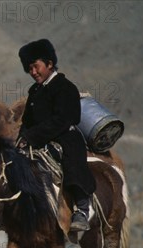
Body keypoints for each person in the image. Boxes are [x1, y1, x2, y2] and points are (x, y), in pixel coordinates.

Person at [16, 39, 96, 231]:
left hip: (64, 137)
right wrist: (21, 138)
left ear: (49, 64)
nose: (33, 72)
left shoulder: (65, 87)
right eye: (29, 69)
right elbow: (27, 121)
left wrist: (32, 136)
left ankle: (83, 209)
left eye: (36, 66)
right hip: (38, 141)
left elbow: (64, 119)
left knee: (72, 163)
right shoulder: (34, 91)